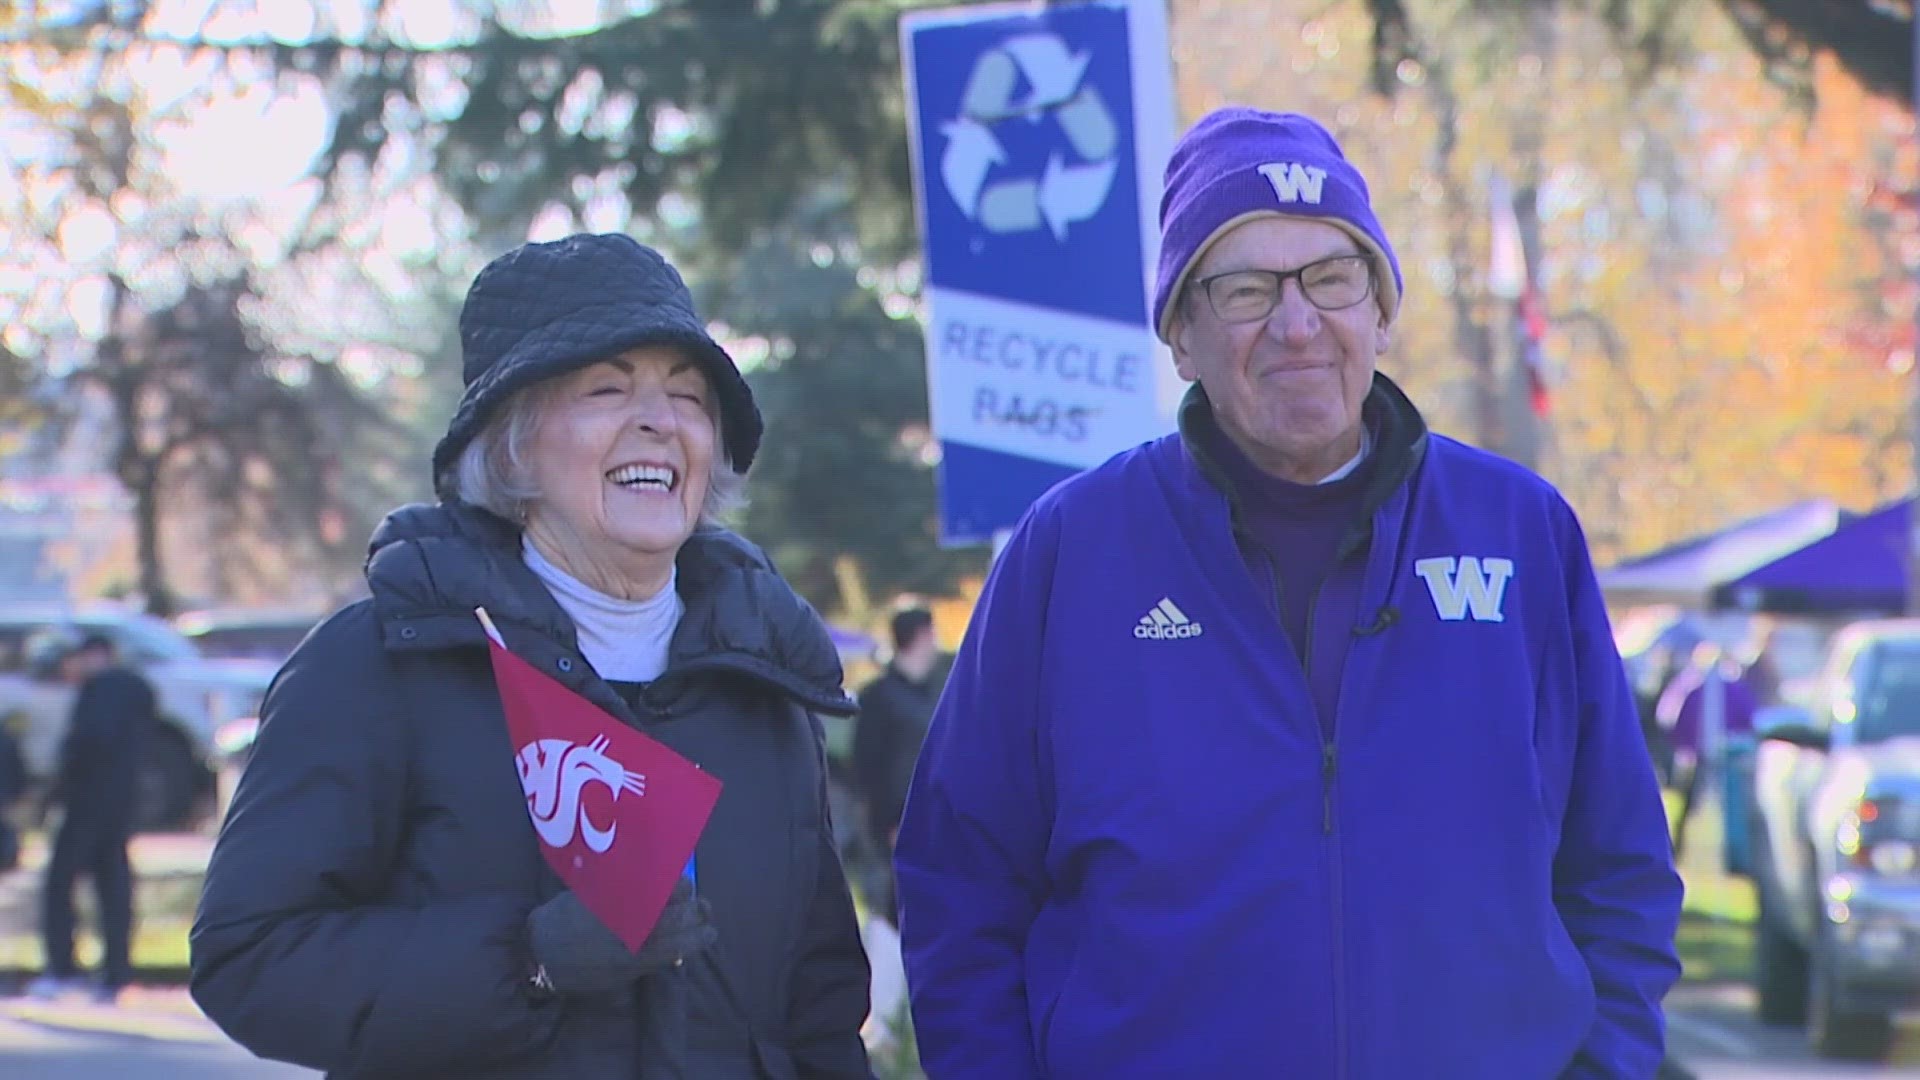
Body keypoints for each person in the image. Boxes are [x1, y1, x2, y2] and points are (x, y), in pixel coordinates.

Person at [895, 108, 1683, 1079]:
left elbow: (1622, 872)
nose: (1298, 322)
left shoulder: (1519, 534)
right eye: (1246, 289)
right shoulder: (1071, 554)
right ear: (1180, 334)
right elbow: (959, 889)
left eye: (1331, 277)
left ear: (1380, 311)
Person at [190, 233, 874, 1079]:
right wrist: (528, 961)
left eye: (689, 396)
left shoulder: (765, 683)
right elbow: (249, 956)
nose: (660, 421)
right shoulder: (382, 665)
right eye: (606, 389)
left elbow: (820, 1012)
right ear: (513, 443)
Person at [29, 633, 152, 1004]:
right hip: (120, 800)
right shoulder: (137, 689)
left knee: (59, 882)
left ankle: (61, 969)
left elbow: (89, 741)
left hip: (87, 799)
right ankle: (114, 973)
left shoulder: (103, 689)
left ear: (95, 655)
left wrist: (58, 786)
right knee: (111, 883)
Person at [851, 606, 942, 926]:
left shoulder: (930, 695)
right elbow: (869, 766)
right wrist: (888, 820)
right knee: (899, 906)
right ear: (922, 635)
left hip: (932, 816)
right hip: (898, 821)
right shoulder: (879, 697)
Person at [1658, 642, 1759, 860]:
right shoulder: (1691, 685)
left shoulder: (1729, 687)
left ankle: (1728, 855)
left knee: (1727, 809)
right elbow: (1670, 717)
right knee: (1687, 805)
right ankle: (1676, 849)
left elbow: (1748, 717)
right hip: (1696, 755)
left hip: (1723, 754)